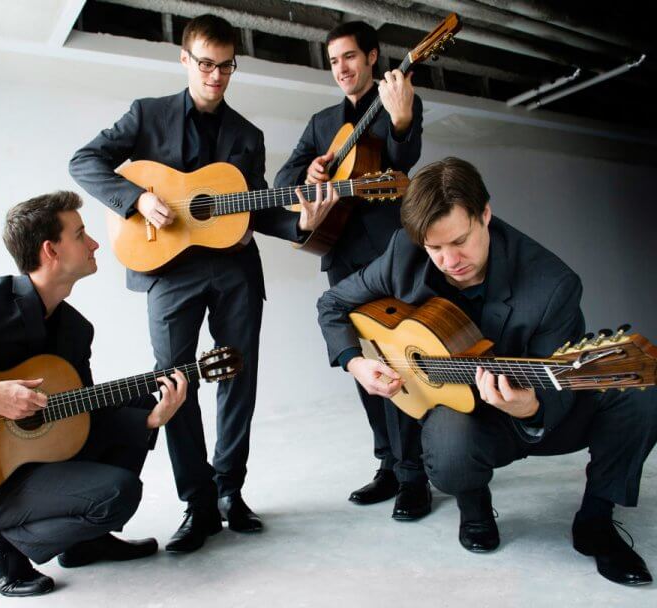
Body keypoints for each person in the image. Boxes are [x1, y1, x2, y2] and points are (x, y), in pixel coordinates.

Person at [317, 157, 656, 586]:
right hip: (462, 415)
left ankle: (596, 521)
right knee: (448, 449)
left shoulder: (552, 283)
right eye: (435, 248)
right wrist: (356, 362)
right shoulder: (405, 252)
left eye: (460, 241)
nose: (449, 260)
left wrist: (529, 407)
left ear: (485, 214)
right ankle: (474, 506)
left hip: (540, 409)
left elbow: (560, 392)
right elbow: (332, 304)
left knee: (640, 396)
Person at [69, 14, 335, 554]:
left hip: (235, 270)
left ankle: (230, 491)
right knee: (176, 383)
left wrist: (303, 224)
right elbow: (85, 160)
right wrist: (137, 199)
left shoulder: (248, 135)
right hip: (167, 270)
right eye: (207, 64)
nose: (216, 76)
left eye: (226, 66)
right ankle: (198, 503)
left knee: (239, 378)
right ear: (185, 60)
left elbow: (255, 208)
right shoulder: (147, 115)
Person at [0, 192, 188, 597]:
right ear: (51, 250)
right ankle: (1, 546)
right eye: (80, 234)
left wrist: (151, 420)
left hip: (31, 461)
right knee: (120, 493)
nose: (95, 244)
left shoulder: (76, 330)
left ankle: (86, 543)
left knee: (136, 404)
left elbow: (81, 414)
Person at [274, 21, 428, 518]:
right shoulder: (322, 122)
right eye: (334, 61)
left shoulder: (397, 97)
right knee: (364, 364)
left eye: (350, 57)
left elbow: (403, 164)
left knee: (400, 358)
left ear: (373, 56)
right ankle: (388, 465)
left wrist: (400, 121)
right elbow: (283, 181)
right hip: (340, 255)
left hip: (391, 255)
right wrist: (309, 173)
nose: (341, 68)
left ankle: (414, 475)